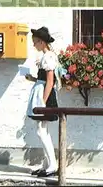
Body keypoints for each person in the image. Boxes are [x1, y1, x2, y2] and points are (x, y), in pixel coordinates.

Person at [25, 26, 60, 177]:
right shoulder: (46, 56)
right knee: (42, 130)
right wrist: (33, 79)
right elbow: (45, 79)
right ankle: (47, 164)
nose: (34, 45)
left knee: (41, 130)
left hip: (44, 96)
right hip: (41, 93)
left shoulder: (49, 57)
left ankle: (52, 165)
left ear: (41, 42)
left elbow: (50, 82)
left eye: (35, 42)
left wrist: (43, 102)